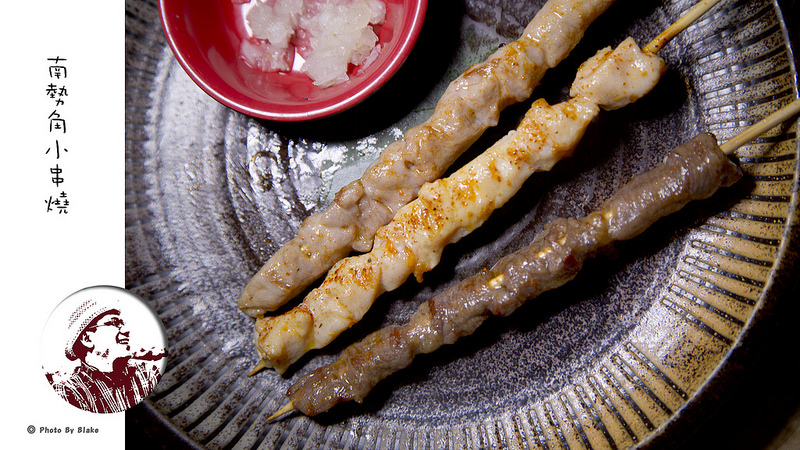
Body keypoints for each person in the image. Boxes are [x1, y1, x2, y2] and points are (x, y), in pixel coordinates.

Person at [49, 298, 164, 413]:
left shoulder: (143, 375)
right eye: (114, 323)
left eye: (122, 323)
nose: (126, 331)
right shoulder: (70, 391)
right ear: (87, 338)